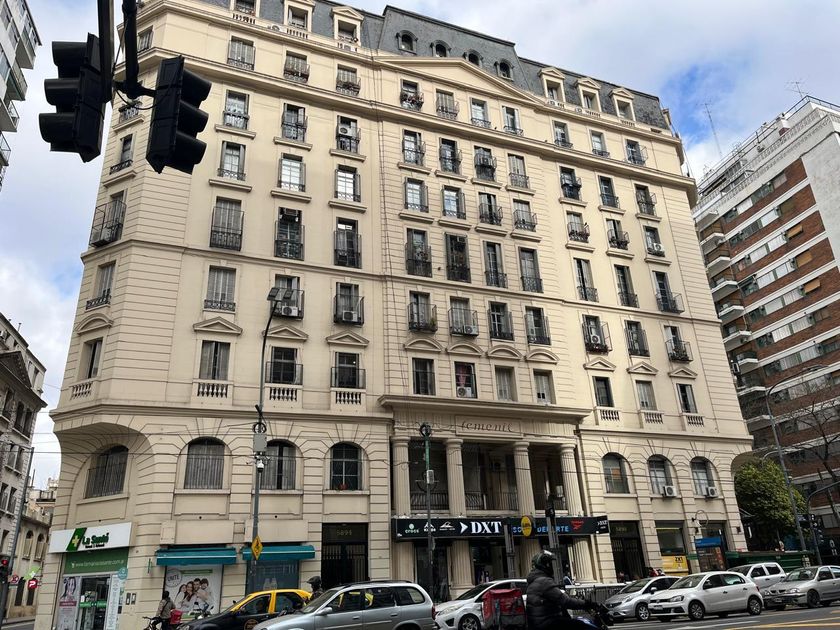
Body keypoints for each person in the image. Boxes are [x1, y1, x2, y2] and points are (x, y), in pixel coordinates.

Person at [526, 550, 596, 630]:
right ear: (545, 565)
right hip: (547, 623)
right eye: (550, 564)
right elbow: (565, 601)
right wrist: (587, 603)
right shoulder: (544, 581)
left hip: (539, 623)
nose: (552, 567)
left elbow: (555, 600)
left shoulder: (534, 581)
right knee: (582, 625)